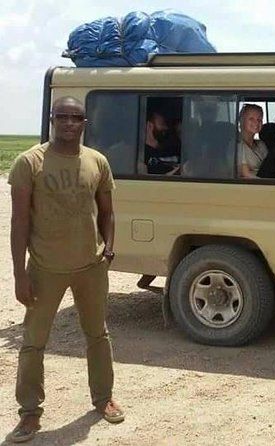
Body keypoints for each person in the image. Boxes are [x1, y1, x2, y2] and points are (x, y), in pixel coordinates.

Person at [7, 97, 124, 443]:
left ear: (84, 123)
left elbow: (107, 212)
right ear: (52, 119)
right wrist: (19, 274)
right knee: (33, 342)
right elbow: (18, 222)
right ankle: (29, 413)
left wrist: (110, 250)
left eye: (76, 117)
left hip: (91, 267)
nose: (69, 123)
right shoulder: (30, 162)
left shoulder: (97, 161)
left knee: (98, 336)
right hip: (45, 268)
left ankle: (104, 399)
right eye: (63, 117)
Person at [144, 110, 180, 175]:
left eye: (166, 124)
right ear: (149, 126)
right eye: (162, 124)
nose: (166, 128)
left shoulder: (174, 149)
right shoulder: (141, 154)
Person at [237, 104, 268, 178]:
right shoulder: (236, 145)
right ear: (241, 121)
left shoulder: (261, 144)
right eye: (251, 119)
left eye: (259, 119)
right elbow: (246, 174)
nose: (256, 123)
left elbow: (270, 167)